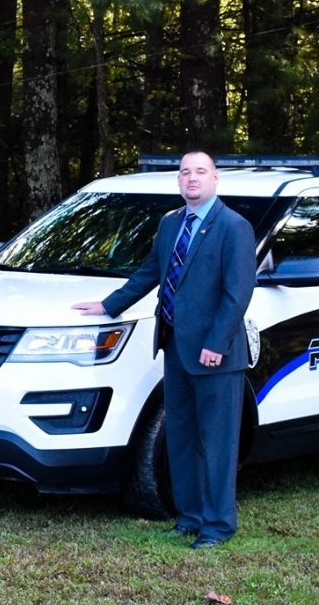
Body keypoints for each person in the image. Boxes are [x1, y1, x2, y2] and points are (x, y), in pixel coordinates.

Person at [73, 150, 256, 549]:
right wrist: (108, 305)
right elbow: (149, 274)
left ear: (215, 179)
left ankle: (218, 525)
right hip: (174, 347)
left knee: (218, 443)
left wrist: (216, 345)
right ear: (178, 180)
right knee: (181, 437)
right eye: (185, 172)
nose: (192, 179)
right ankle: (189, 517)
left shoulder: (234, 227)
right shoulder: (171, 223)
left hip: (215, 356)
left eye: (200, 172)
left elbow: (237, 294)